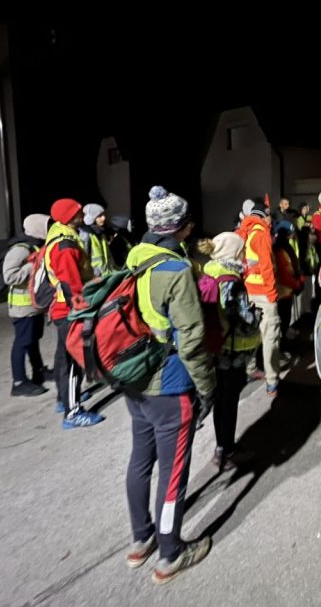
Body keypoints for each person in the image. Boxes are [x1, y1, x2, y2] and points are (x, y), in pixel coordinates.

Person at [123, 186, 216, 583]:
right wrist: (207, 386)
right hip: (170, 385)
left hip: (135, 380)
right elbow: (191, 339)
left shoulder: (134, 258)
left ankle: (141, 538)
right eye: (188, 223)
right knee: (173, 473)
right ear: (179, 226)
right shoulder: (175, 271)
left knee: (140, 462)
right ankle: (170, 553)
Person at [198, 232, 261, 471]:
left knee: (221, 399)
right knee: (229, 400)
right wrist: (256, 315)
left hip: (216, 345)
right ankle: (228, 450)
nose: (243, 253)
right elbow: (243, 318)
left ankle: (221, 447)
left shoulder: (209, 271)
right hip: (233, 349)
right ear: (233, 252)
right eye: (241, 249)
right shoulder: (232, 280)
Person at [44, 198, 104, 428]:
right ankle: (73, 412)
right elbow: (71, 284)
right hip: (69, 310)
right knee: (73, 362)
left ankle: (63, 399)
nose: (82, 216)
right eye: (78, 213)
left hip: (62, 308)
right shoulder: (65, 246)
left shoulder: (59, 234)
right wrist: (81, 309)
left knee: (63, 356)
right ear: (69, 217)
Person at [2, 213, 52, 396]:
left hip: (33, 305)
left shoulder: (35, 246)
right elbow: (9, 276)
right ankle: (19, 382)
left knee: (33, 340)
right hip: (22, 307)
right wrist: (32, 267)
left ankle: (39, 371)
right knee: (22, 343)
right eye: (46, 226)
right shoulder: (20, 249)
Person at [237, 197, 282, 396]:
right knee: (270, 337)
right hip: (263, 292)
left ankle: (250, 369)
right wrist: (272, 295)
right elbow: (266, 268)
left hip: (247, 291)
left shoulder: (242, 232)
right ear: (264, 216)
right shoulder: (261, 234)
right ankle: (272, 380)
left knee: (251, 334)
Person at [273, 219, 305, 337]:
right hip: (283, 292)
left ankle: (284, 338)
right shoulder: (281, 250)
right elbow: (284, 275)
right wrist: (297, 284)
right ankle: (282, 343)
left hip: (286, 290)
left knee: (285, 319)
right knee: (283, 320)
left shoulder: (284, 247)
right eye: (290, 234)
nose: (292, 236)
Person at [79, 203, 117, 277]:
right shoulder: (86, 235)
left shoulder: (101, 233)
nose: (104, 218)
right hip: (95, 278)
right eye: (99, 216)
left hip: (107, 275)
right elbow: (83, 260)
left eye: (103, 215)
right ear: (91, 219)